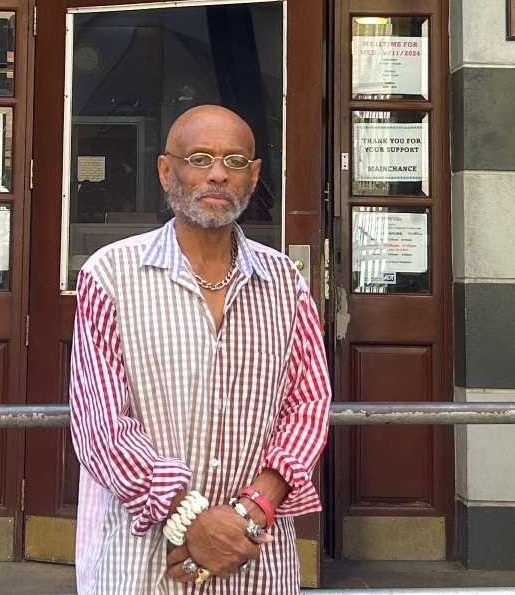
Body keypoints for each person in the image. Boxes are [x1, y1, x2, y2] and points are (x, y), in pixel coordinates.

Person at [70, 105, 331, 594]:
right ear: (167, 170)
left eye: (234, 162)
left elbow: (308, 407)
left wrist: (248, 513)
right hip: (144, 563)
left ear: (252, 176)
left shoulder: (285, 283)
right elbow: (101, 427)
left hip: (258, 558)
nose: (217, 174)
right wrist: (191, 521)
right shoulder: (111, 276)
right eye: (200, 158)